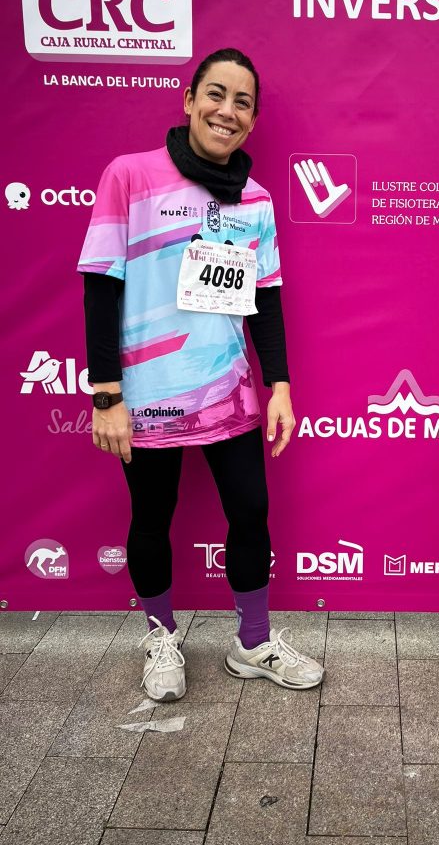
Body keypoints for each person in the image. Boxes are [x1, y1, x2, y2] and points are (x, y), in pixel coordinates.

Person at [78, 47, 324, 701]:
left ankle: (253, 643)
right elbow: (101, 286)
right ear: (189, 100)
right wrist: (107, 395)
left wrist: (279, 384)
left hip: (227, 392)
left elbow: (264, 296)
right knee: (151, 516)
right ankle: (161, 636)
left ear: (253, 119)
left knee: (251, 510)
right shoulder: (130, 175)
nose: (227, 111)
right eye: (216, 94)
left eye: (243, 102)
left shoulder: (256, 199)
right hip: (146, 395)